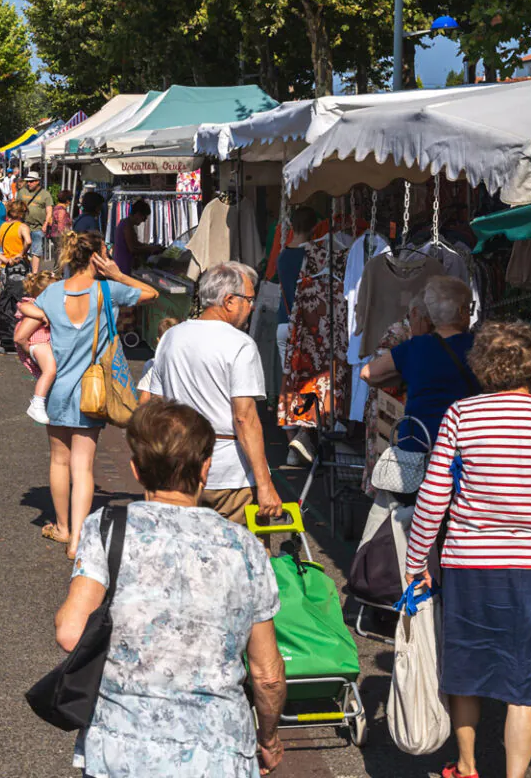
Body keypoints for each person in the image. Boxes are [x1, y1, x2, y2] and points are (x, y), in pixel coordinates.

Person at [55, 400, 286, 778]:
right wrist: (269, 739)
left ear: (136, 470)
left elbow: (69, 633)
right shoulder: (243, 546)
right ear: (206, 469)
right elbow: (267, 673)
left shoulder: (108, 527)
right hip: (218, 752)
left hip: (122, 748)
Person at [404, 321, 531, 778]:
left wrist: (416, 564)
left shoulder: (460, 415)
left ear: (482, 367)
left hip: (469, 564)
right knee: (526, 684)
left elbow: (433, 496)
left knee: (466, 666)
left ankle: (467, 767)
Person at [24, 231, 158, 556]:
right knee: (83, 466)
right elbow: (151, 294)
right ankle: (76, 541)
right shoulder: (106, 291)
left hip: (56, 389)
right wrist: (117, 273)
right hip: (92, 391)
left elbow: (28, 324)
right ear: (99, 255)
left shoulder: (52, 293)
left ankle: (61, 526)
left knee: (59, 460)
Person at [136, 262, 282, 525]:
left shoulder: (171, 337)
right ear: (228, 300)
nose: (251, 307)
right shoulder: (240, 344)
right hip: (227, 474)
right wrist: (265, 484)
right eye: (248, 299)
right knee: (237, 556)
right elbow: (244, 419)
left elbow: (155, 407)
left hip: (178, 465)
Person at [361, 276, 478, 503]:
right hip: (463, 448)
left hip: (419, 447)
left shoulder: (415, 347)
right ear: (463, 311)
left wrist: (405, 375)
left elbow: (367, 373)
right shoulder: (477, 346)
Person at [276, 206, 318, 465]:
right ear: (314, 226)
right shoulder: (312, 254)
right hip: (304, 327)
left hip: (283, 323)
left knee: (288, 383)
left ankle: (292, 442)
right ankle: (303, 435)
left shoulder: (283, 254)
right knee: (308, 384)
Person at [14, 270, 59, 424]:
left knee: (48, 372)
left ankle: (41, 402)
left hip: (40, 343)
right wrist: (42, 315)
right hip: (37, 342)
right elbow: (24, 307)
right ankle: (37, 403)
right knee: (50, 370)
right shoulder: (33, 305)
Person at [17, 170, 55, 273]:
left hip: (38, 226)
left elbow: (49, 210)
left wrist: (46, 224)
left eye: (32, 181)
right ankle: (24, 269)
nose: (29, 183)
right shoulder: (22, 192)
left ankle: (34, 273)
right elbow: (17, 206)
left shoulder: (45, 194)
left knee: (36, 251)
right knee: (23, 249)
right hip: (24, 225)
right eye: (28, 181)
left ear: (37, 181)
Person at [112, 199, 160, 275]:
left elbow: (135, 243)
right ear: (138, 214)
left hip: (123, 264)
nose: (144, 221)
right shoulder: (127, 226)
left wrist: (148, 246)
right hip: (123, 265)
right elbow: (133, 249)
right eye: (144, 218)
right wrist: (150, 249)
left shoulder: (126, 223)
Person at [0, 199, 33, 278]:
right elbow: (28, 241)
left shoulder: (3, 226)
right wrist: (21, 254)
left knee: (7, 289)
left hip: (6, 266)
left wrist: (6, 260)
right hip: (20, 266)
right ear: (21, 214)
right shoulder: (22, 227)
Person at [46, 189, 73, 269]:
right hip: (60, 235)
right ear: (68, 200)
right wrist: (65, 236)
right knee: (60, 256)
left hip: (55, 235)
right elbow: (61, 225)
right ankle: (58, 272)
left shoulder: (56, 208)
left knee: (58, 254)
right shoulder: (61, 210)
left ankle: (58, 271)